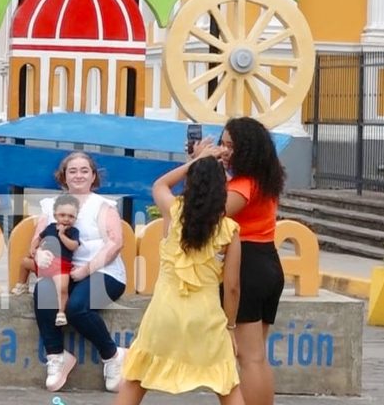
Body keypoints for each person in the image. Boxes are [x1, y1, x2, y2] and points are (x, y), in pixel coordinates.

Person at [115, 152, 243, 405]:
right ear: (222, 191)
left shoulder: (173, 213)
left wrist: (196, 161)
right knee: (227, 384)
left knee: (136, 379)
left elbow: (160, 185)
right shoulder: (229, 230)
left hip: (164, 314)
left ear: (190, 183)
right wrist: (230, 328)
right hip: (206, 318)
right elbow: (232, 288)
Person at [194, 117, 286, 405]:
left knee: (250, 358)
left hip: (249, 266)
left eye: (230, 145)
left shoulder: (244, 185)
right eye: (223, 143)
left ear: (247, 148)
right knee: (256, 356)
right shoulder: (264, 178)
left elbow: (208, 213)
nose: (225, 150)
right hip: (268, 262)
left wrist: (200, 165)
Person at [32, 151, 127, 393]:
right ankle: (56, 355)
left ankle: (112, 356)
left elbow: (115, 244)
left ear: (93, 175)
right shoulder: (51, 206)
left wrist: (86, 270)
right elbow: (37, 240)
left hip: (104, 272)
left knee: (76, 308)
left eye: (84, 170)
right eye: (72, 170)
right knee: (43, 291)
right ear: (63, 176)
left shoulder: (104, 206)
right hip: (64, 272)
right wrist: (39, 255)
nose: (78, 175)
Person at [12, 194, 80, 328]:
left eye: (71, 216)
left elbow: (74, 246)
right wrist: (33, 248)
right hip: (44, 264)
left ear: (75, 218)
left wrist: (61, 235)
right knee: (25, 262)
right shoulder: (50, 227)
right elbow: (39, 237)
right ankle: (22, 284)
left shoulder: (73, 231)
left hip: (61, 267)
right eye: (62, 215)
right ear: (55, 215)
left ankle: (61, 312)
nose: (66, 219)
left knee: (62, 288)